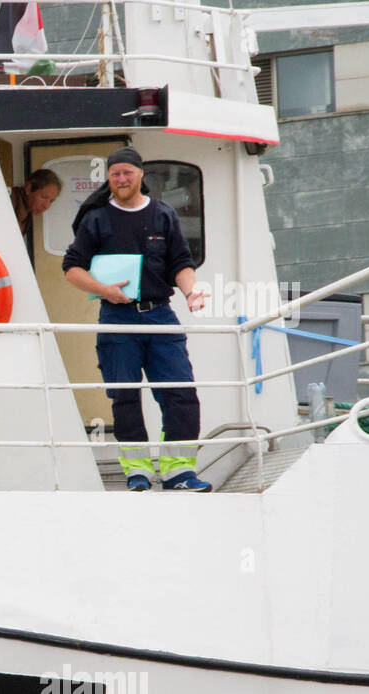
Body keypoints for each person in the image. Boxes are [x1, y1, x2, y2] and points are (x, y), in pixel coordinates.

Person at [62, 146, 211, 493]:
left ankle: (178, 471)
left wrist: (192, 292)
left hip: (160, 315)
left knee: (181, 395)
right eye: (115, 174)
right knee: (126, 399)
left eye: (128, 172)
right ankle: (137, 472)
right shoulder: (96, 218)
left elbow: (180, 264)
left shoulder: (163, 214)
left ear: (141, 174)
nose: (121, 179)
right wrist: (104, 290)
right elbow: (71, 268)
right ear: (109, 178)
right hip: (116, 318)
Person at [12, 168, 62, 251]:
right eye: (44, 197)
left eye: (51, 201)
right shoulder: (7, 202)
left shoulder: (26, 215)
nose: (46, 206)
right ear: (28, 188)